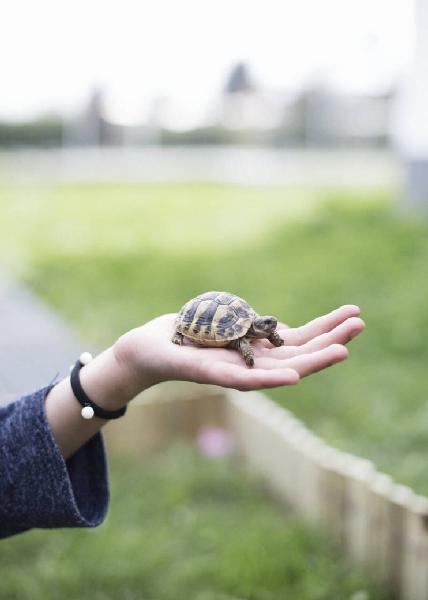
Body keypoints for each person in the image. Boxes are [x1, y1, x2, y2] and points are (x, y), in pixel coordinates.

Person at [0, 305, 364, 539]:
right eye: (264, 325)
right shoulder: (241, 338)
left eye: (267, 325)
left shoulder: (258, 326)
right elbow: (242, 343)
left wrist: (120, 370)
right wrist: (125, 364)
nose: (268, 328)